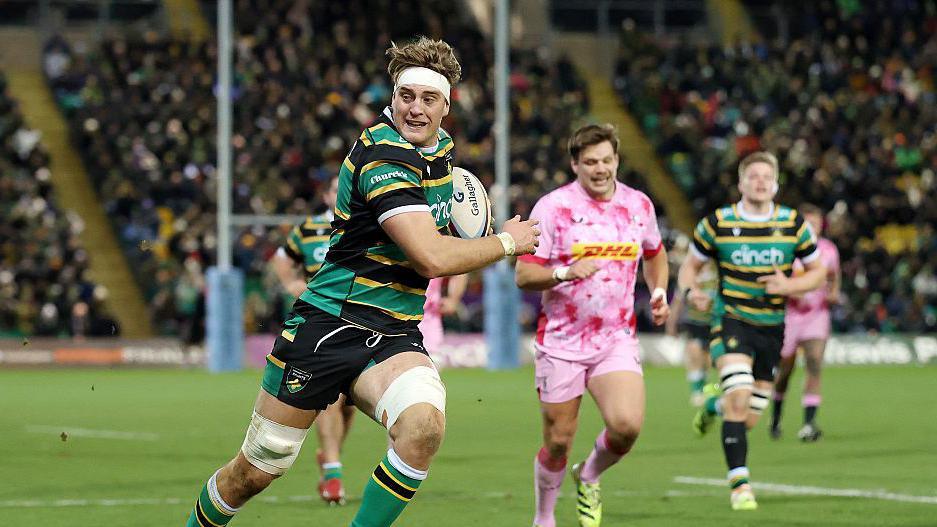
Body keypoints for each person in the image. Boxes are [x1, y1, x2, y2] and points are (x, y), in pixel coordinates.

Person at [184, 36, 540, 527]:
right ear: (391, 98)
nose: (415, 108)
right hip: (328, 326)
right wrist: (505, 242)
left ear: (446, 105)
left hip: (392, 333)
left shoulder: (442, 154)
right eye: (405, 96)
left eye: (428, 98)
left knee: (423, 427)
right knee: (259, 466)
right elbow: (429, 256)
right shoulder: (383, 156)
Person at [515, 124, 670, 527]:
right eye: (590, 162)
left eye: (606, 160)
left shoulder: (639, 205)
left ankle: (589, 474)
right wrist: (566, 272)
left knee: (626, 427)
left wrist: (659, 291)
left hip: (614, 338)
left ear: (617, 160)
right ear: (575, 164)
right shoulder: (552, 208)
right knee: (558, 440)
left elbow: (655, 254)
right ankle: (544, 517)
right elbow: (524, 275)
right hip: (562, 342)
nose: (600, 169)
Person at [678, 151, 826, 511]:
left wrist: (789, 286)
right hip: (731, 320)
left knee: (749, 416)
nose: (760, 182)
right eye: (753, 176)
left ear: (775, 184)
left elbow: (818, 271)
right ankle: (740, 486)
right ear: (741, 183)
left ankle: (713, 405)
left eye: (766, 176)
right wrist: (689, 292)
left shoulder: (793, 225)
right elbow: (690, 266)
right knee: (740, 395)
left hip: (772, 328)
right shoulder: (717, 224)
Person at [270, 175, 357, 505]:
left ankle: (329, 455)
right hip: (320, 322)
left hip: (358, 323)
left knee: (349, 406)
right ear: (326, 195)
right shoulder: (309, 229)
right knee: (331, 400)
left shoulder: (362, 222)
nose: (341, 194)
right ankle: (334, 472)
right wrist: (291, 283)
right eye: (336, 190)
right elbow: (281, 256)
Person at [769, 204, 841, 442]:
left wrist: (834, 292)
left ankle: (809, 424)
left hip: (817, 315)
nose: (814, 227)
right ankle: (776, 417)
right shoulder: (787, 249)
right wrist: (792, 291)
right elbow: (775, 282)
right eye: (809, 223)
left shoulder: (829, 250)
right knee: (784, 372)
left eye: (817, 223)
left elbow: (833, 275)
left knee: (814, 362)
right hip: (789, 317)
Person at [666, 254, 718, 406]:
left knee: (707, 357)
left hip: (712, 321)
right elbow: (678, 300)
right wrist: (671, 323)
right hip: (694, 320)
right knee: (694, 351)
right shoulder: (689, 275)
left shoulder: (716, 274)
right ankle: (696, 392)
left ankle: (705, 386)